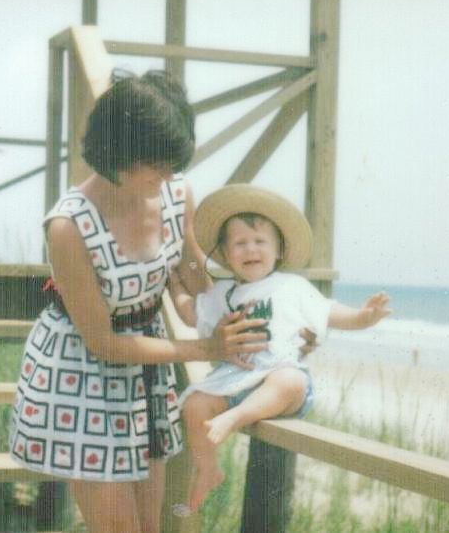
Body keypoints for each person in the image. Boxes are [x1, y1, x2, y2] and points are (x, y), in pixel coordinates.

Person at [8, 71, 271, 533]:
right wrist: (206, 349)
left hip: (146, 370)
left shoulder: (175, 192)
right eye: (158, 164)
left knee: (150, 526)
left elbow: (190, 279)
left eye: (173, 164)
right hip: (82, 373)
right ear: (119, 152)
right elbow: (103, 342)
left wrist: (249, 315)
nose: (168, 175)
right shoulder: (68, 226)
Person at [168, 184, 392, 514]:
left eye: (260, 242)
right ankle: (207, 468)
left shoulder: (292, 286)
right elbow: (190, 313)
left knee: (290, 379)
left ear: (279, 251)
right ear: (226, 255)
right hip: (235, 382)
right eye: (240, 243)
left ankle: (235, 418)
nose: (250, 249)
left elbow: (331, 313)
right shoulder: (223, 294)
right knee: (194, 405)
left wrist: (364, 317)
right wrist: (174, 285)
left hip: (279, 382)